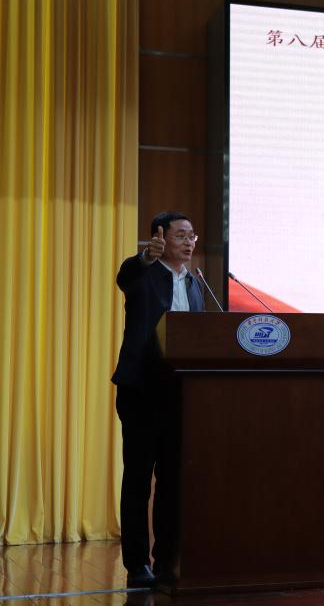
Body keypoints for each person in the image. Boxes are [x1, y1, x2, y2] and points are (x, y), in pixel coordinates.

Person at [111, 212, 204, 587]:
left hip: (180, 395)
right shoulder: (143, 274)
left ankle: (166, 560)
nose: (189, 241)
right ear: (160, 238)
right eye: (181, 235)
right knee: (138, 480)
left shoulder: (196, 283)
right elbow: (125, 276)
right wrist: (144, 257)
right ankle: (137, 565)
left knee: (172, 481)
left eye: (192, 236)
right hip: (142, 392)